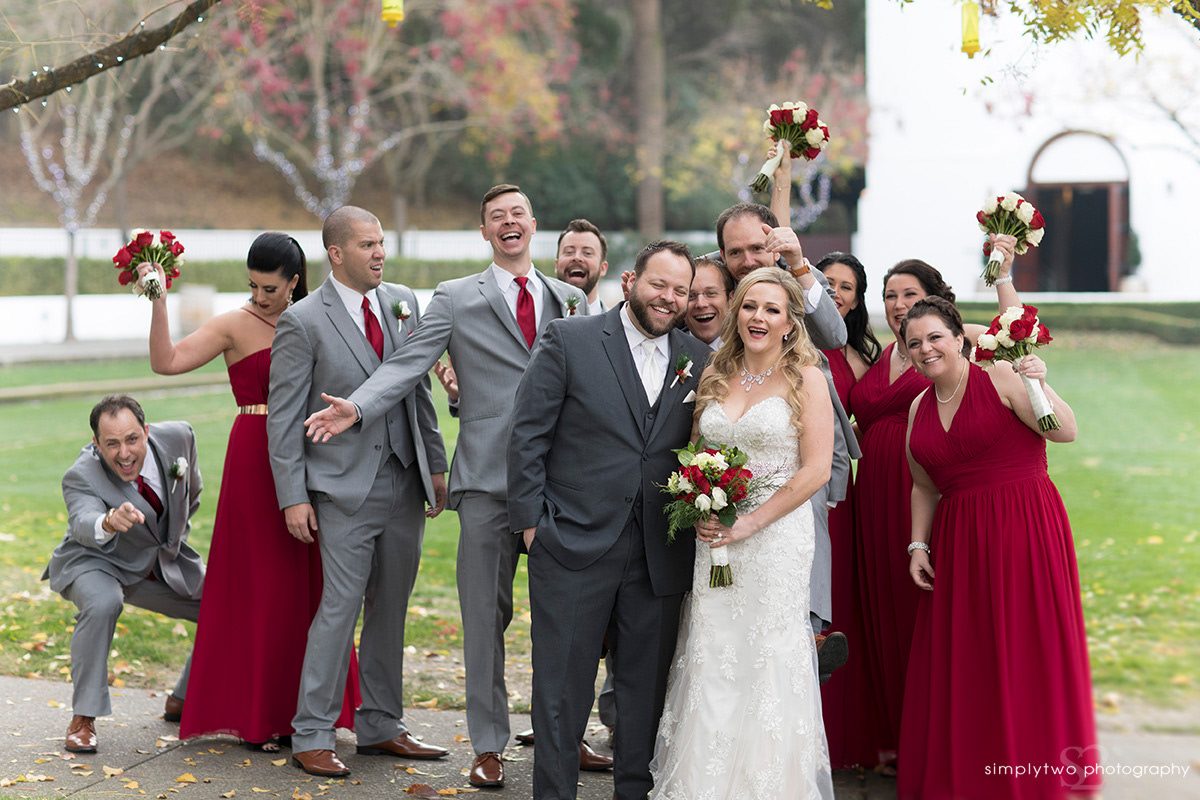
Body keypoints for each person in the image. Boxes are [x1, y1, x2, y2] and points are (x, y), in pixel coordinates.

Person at [300, 185, 591, 789]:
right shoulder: (454, 298)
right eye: (496, 217)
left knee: (566, 619)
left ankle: (567, 735)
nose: (509, 223)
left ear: (533, 224)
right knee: (484, 619)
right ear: (484, 232)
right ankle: (488, 746)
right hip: (486, 482)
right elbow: (408, 365)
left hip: (560, 486)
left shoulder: (571, 300)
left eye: (517, 213)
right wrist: (358, 407)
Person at [137, 233, 362, 750]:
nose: (259, 297)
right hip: (254, 457)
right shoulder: (234, 324)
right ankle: (259, 714)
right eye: (252, 287)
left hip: (313, 452)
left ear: (294, 283)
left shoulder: (320, 318)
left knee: (310, 584)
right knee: (260, 583)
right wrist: (158, 299)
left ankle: (310, 710)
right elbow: (165, 361)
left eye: (270, 289)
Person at [507, 241, 709, 800]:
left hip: (659, 552)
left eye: (680, 290)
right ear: (629, 281)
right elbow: (526, 435)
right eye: (659, 284)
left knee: (645, 694)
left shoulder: (698, 358)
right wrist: (532, 527)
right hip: (570, 542)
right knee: (561, 690)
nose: (669, 298)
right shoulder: (569, 339)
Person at [268, 206, 450, 778]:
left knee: (391, 608)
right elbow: (283, 417)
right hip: (341, 488)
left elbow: (416, 388)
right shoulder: (302, 321)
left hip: (404, 479)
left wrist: (435, 464)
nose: (380, 254)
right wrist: (293, 496)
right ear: (336, 253)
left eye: (381, 243)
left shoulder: (402, 301)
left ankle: (381, 725)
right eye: (368, 245)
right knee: (339, 609)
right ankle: (312, 734)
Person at [898, 297, 1099, 799]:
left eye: (935, 337)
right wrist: (918, 545)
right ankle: (975, 771)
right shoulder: (919, 408)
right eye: (914, 343)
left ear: (959, 338)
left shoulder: (1001, 377)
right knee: (972, 658)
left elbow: (1066, 432)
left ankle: (1036, 772)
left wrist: (1039, 383)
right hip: (959, 541)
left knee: (1024, 648)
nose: (926, 349)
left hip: (1023, 527)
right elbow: (923, 485)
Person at [651, 267, 835, 798]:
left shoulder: (806, 378)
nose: (759, 317)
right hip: (714, 535)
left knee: (765, 657)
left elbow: (816, 470)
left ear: (790, 322)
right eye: (750, 306)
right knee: (714, 650)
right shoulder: (714, 372)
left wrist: (750, 522)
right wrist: (698, 502)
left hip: (775, 542)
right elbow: (694, 453)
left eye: (772, 309)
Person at [847, 240, 1022, 770]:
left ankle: (942, 735)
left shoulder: (953, 342)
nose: (898, 304)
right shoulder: (878, 354)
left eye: (909, 294)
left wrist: (1003, 274)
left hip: (925, 486)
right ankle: (897, 735)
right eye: (889, 295)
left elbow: (1016, 333)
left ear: (933, 299)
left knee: (924, 616)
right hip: (873, 497)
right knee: (882, 611)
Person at [44, 394, 204, 753]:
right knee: (103, 602)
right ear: (97, 444)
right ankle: (83, 719)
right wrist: (108, 522)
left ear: (146, 432)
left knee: (226, 605)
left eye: (132, 439)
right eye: (112, 444)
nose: (124, 453)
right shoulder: (82, 473)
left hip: (158, 562)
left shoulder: (180, 437)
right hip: (95, 559)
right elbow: (82, 521)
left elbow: (191, 494)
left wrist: (170, 541)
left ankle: (182, 698)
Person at [812, 252, 883, 768]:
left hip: (838, 492)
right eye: (827, 282)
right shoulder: (786, 332)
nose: (835, 292)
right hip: (794, 483)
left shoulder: (857, 357)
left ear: (856, 302)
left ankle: (840, 732)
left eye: (846, 288)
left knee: (836, 598)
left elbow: (861, 416)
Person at [555, 218, 609, 315]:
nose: (577, 258)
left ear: (603, 268)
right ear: (556, 265)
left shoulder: (618, 322)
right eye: (569, 252)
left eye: (587, 253)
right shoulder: (538, 316)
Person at [683, 257, 733, 350]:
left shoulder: (752, 348)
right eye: (691, 296)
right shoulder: (667, 350)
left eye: (711, 293)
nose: (701, 304)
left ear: (731, 299)